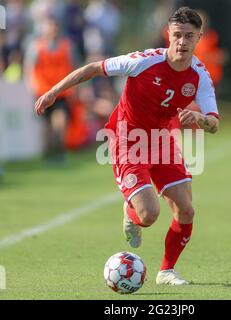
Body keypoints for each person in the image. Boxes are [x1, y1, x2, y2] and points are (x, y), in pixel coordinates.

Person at [34, 7, 220, 285]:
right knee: (149, 215)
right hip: (127, 140)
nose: (182, 42)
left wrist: (200, 119)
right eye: (177, 35)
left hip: (161, 141)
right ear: (168, 35)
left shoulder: (200, 75)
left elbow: (214, 123)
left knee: (186, 210)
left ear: (199, 38)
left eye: (189, 36)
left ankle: (166, 271)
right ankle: (130, 211)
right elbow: (93, 68)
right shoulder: (143, 61)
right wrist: (53, 92)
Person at [25, 16, 78, 162]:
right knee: (47, 127)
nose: (52, 29)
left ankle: (59, 153)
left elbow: (75, 68)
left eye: (54, 26)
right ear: (43, 29)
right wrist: (32, 86)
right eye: (49, 26)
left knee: (60, 123)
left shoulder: (67, 46)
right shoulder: (35, 46)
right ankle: (49, 155)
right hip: (42, 92)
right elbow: (29, 69)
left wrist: (76, 88)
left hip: (61, 92)